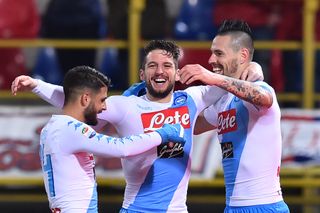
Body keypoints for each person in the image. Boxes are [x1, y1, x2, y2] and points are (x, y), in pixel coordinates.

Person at [12, 40, 263, 213]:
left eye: (167, 66)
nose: (159, 71)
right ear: (142, 74)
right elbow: (78, 100)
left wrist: (254, 67)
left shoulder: (193, 98)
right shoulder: (127, 106)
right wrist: (36, 85)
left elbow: (233, 81)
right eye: (152, 66)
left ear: (177, 73)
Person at [12, 65, 186, 213]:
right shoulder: (71, 130)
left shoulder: (55, 127)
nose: (105, 107)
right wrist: (160, 134)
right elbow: (121, 148)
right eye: (102, 100)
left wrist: (37, 86)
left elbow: (72, 99)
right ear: (86, 98)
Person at [179, 20, 290, 212]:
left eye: (219, 53)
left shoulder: (261, 89)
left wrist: (213, 78)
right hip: (233, 206)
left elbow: (264, 97)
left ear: (243, 55)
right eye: (212, 52)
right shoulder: (224, 100)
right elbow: (195, 126)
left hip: (264, 205)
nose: (211, 60)